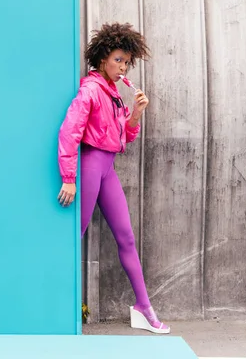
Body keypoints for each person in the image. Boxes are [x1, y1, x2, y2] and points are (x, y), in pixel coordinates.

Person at [57, 22, 170, 334]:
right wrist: (69, 176)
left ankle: (143, 307)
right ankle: (55, 304)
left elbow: (124, 138)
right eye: (118, 60)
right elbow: (69, 133)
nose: (123, 67)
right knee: (75, 236)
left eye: (126, 62)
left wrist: (135, 114)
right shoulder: (92, 89)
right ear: (103, 57)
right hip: (92, 164)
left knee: (126, 238)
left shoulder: (114, 94)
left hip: (107, 168)